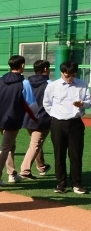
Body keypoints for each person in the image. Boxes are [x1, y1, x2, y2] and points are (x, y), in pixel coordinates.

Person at [43, 60, 90, 194]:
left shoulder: (82, 84)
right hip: (58, 123)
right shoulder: (53, 86)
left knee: (76, 154)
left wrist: (82, 104)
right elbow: (46, 103)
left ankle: (77, 183)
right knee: (59, 154)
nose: (70, 78)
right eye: (67, 75)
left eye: (73, 75)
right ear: (62, 73)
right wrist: (54, 114)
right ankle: (61, 183)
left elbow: (89, 101)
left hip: (75, 123)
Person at [0, 55, 38, 186]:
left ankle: (12, 174)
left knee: (10, 146)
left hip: (0, 118)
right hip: (13, 118)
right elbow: (31, 104)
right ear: (22, 65)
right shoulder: (24, 83)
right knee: (6, 147)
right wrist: (36, 118)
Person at [19, 60, 52, 179]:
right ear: (45, 69)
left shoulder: (26, 82)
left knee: (37, 142)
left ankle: (41, 166)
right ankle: (25, 170)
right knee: (36, 143)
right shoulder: (49, 83)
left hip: (27, 116)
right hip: (43, 118)